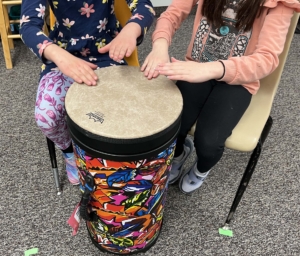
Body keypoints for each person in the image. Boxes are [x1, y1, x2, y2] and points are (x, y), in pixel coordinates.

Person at [141, 0, 300, 194]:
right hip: (196, 69)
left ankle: (201, 170)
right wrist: (160, 46)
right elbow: (172, 14)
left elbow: (267, 59)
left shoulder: (279, 4)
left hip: (239, 81)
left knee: (208, 144)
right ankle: (180, 155)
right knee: (170, 129)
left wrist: (210, 69)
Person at [20, 0, 155, 185]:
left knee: (124, 114)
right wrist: (60, 56)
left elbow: (144, 5)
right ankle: (69, 153)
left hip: (107, 53)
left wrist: (131, 29)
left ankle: (108, 157)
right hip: (62, 57)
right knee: (46, 117)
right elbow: (28, 26)